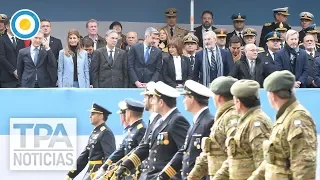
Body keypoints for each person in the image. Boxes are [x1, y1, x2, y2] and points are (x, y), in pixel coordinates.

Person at [248, 70, 317, 179]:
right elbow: (272, 159)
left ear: (272, 95)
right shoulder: (285, 116)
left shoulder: (298, 118)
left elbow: (304, 167)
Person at [116, 81, 190, 179]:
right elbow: (145, 146)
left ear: (161, 102)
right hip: (153, 175)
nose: (152, 102)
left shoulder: (177, 120)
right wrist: (126, 165)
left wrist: (166, 175)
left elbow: (185, 152)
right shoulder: (160, 121)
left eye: (154, 98)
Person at [213, 80, 273, 180]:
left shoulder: (256, 122)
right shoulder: (246, 120)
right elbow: (233, 157)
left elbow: (262, 162)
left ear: (238, 102)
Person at [157, 80, 215, 180]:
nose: (183, 101)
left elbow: (209, 158)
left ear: (192, 98)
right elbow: (183, 152)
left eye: (185, 97)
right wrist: (164, 175)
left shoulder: (209, 122)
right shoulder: (196, 122)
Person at [188, 76, 240, 179]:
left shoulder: (231, 117)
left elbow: (235, 155)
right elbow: (209, 151)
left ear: (218, 97)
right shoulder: (223, 117)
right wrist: (193, 176)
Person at [93, 99, 146, 180]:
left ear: (129, 113)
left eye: (126, 111)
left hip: (136, 175)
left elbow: (142, 154)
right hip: (126, 173)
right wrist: (104, 168)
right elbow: (120, 151)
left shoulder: (141, 129)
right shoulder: (131, 129)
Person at [65, 103, 116, 180]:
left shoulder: (106, 132)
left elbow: (109, 157)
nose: (90, 116)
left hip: (99, 173)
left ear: (101, 116)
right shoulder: (95, 132)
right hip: (91, 172)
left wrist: (104, 175)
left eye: (93, 114)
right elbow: (84, 156)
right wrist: (71, 175)